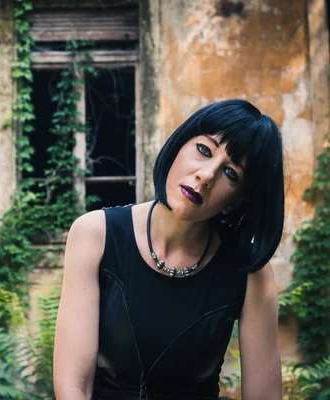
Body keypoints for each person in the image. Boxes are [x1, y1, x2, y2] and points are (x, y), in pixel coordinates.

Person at [53, 99, 284, 400]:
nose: (206, 175)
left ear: (237, 200)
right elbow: (73, 388)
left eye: (231, 173)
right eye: (204, 150)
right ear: (178, 145)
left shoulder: (249, 272)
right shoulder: (95, 234)